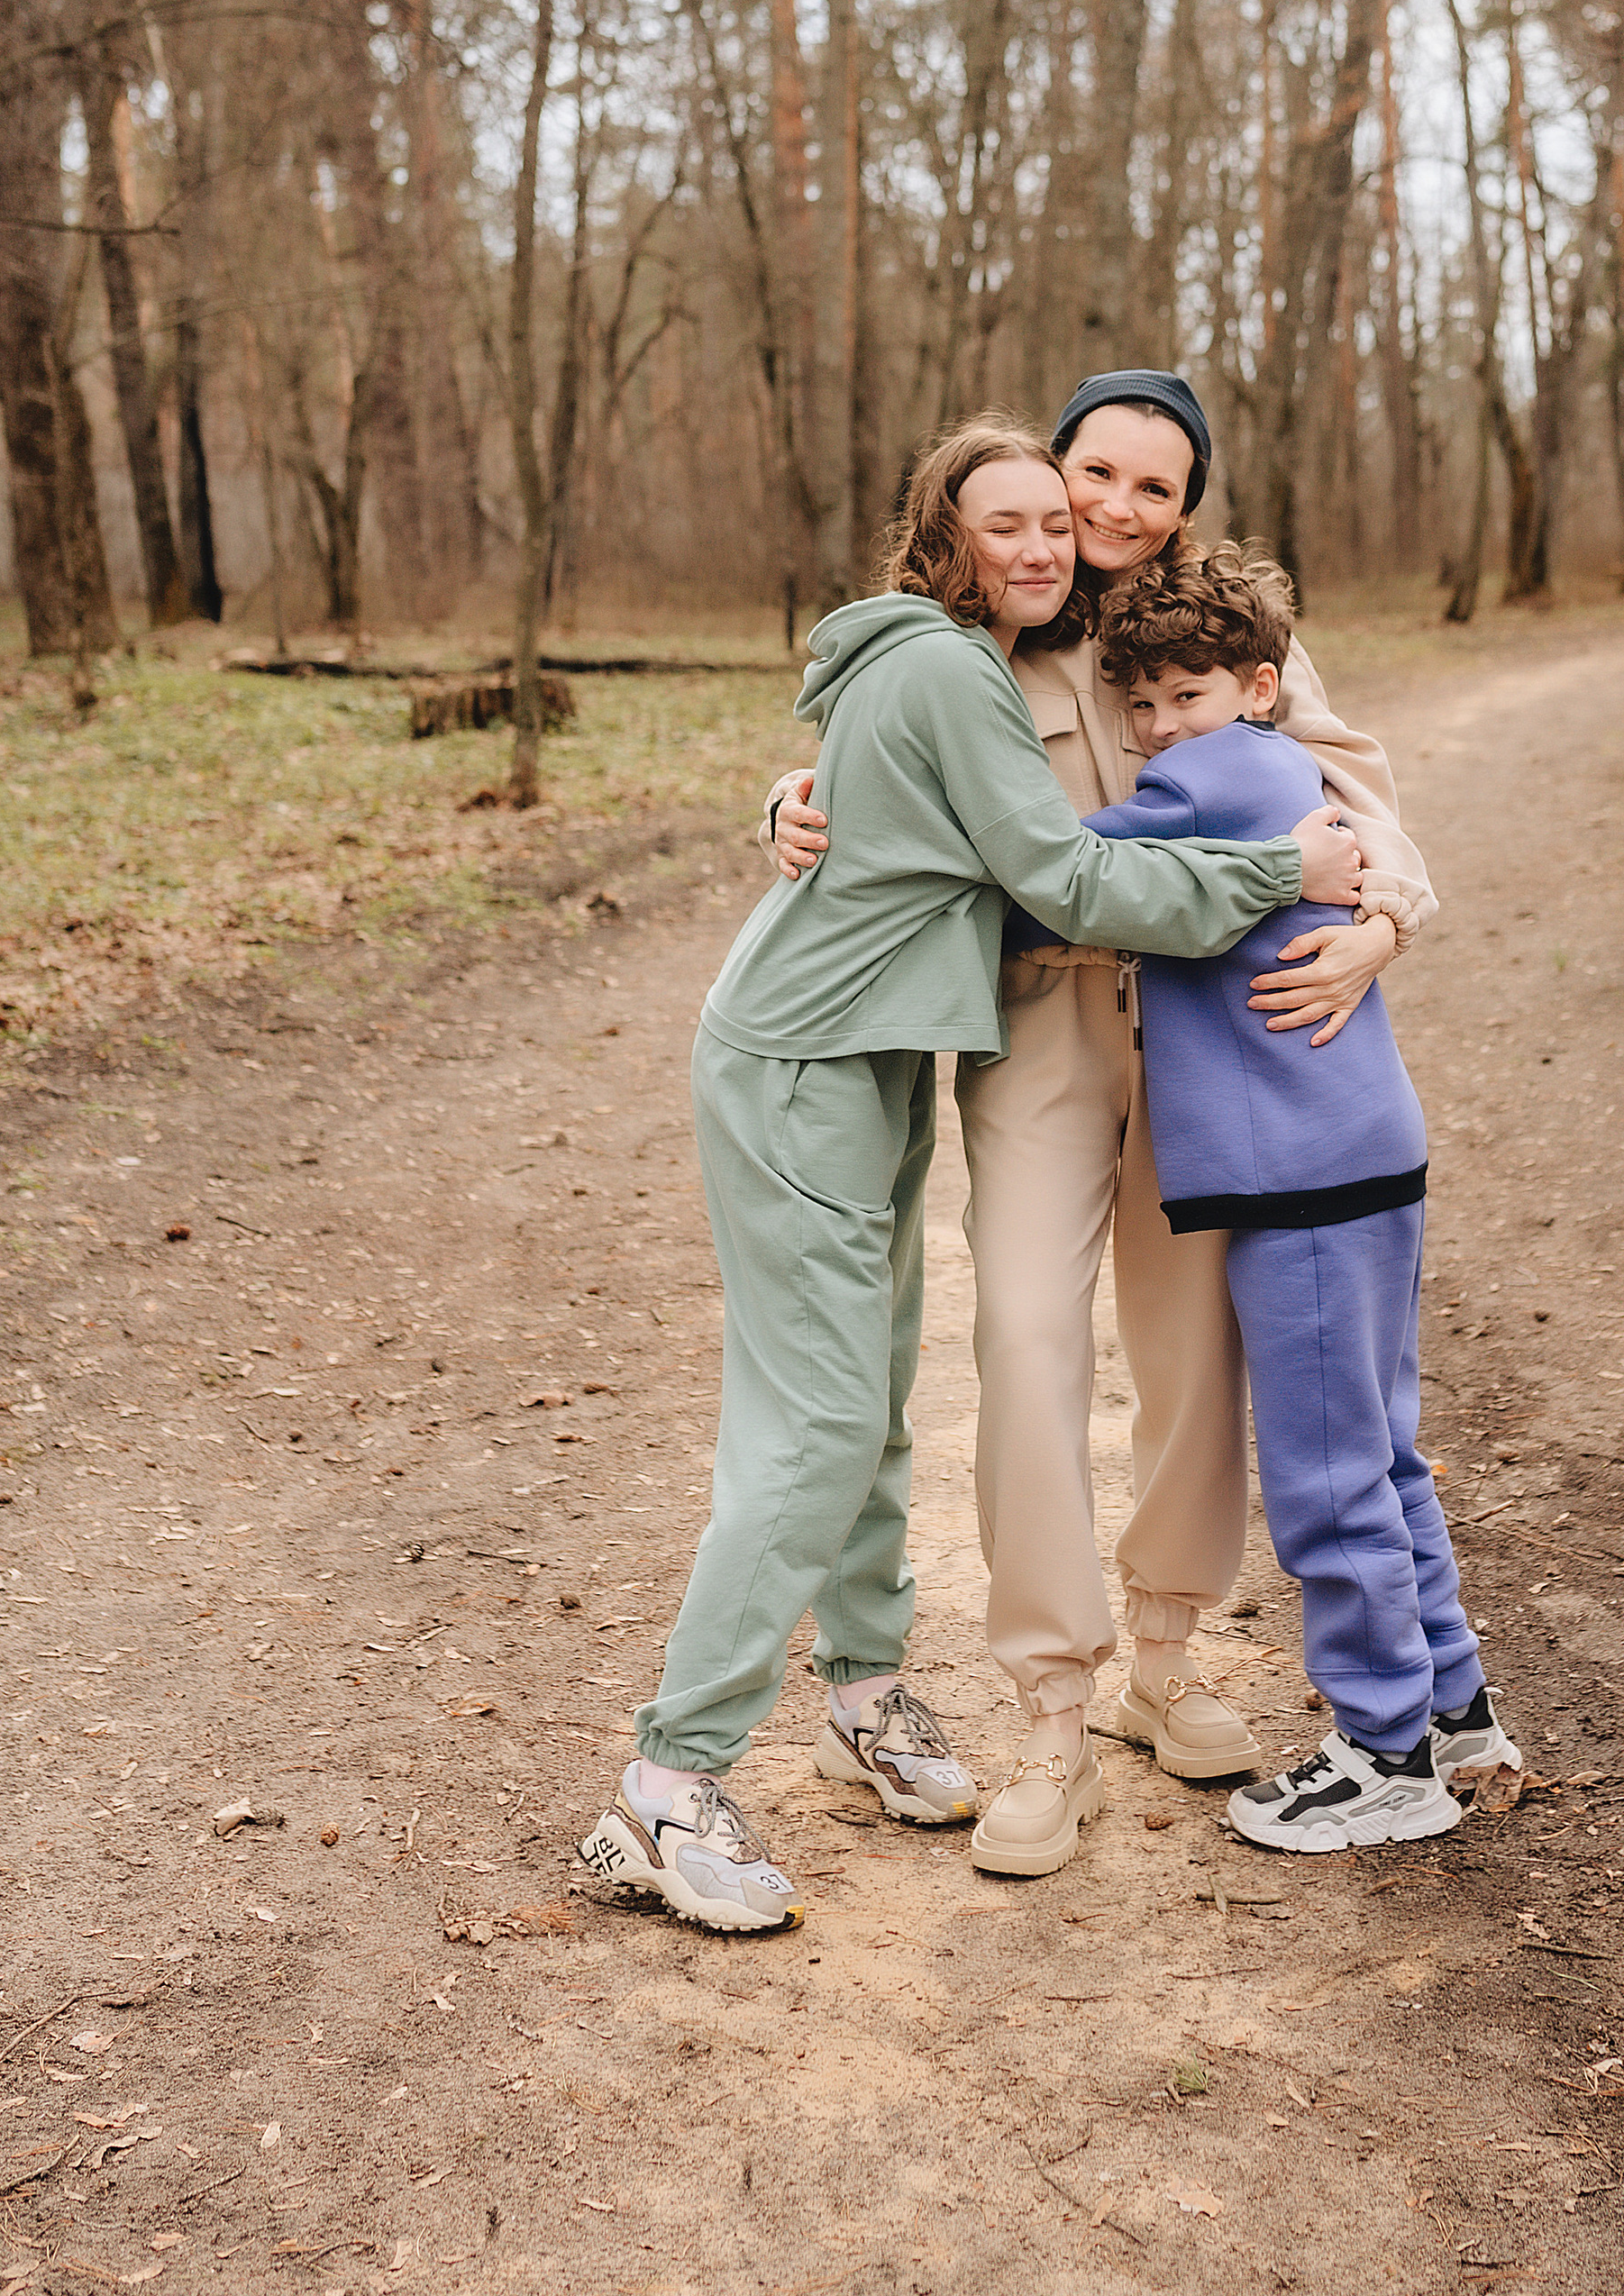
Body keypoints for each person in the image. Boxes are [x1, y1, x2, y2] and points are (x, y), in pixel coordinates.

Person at [576, 421, 1364, 1936]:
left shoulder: (1043, 647)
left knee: (867, 1399)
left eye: (1052, 523)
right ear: (944, 539)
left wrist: (1373, 901)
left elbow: (1323, 779)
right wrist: (1276, 873)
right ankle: (665, 1784)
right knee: (822, 1420)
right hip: (822, 1052)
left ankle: (869, 1692)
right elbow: (1060, 875)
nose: (1050, 540)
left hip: (880, 1056)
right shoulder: (950, 665)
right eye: (1012, 519)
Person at [764, 367, 1437, 1880]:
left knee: (1195, 1351)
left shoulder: (1226, 633)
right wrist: (788, 803)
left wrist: (1386, 917)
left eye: (1156, 487)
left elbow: (1358, 803)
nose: (1115, 509)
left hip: (1211, 1036)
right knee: (1024, 1337)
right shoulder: (975, 624)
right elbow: (870, 754)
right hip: (1038, 1025)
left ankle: (1164, 1661)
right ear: (1045, 470)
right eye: (1095, 474)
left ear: (1187, 510)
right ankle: (1049, 1714)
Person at [1077, 542, 1520, 1852]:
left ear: (1261, 686)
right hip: (1361, 1153)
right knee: (1382, 1449)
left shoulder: (1207, 781)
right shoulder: (1281, 768)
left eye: (1189, 694)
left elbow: (1062, 878)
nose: (1160, 727)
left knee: (1327, 1476)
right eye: (1139, 704)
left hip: (1303, 1177)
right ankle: (1455, 1709)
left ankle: (1385, 1755)